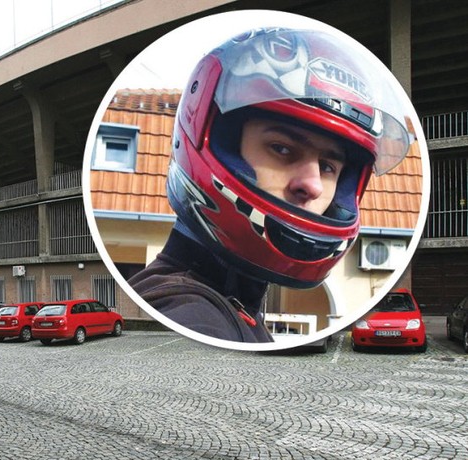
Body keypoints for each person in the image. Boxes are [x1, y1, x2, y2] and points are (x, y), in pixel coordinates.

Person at [128, 26, 413, 343]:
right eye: (282, 149)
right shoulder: (189, 316)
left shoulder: (233, 306)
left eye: (328, 166)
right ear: (218, 142)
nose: (313, 185)